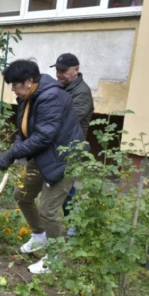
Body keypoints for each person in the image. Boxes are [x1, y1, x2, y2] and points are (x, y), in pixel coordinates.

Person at [0, 59, 84, 274]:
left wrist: (12, 153)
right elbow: (24, 132)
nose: (13, 89)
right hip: (42, 155)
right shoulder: (28, 96)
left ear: (29, 81)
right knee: (22, 195)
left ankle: (55, 258)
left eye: (15, 84)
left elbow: (44, 135)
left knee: (48, 210)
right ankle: (39, 236)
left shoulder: (50, 96)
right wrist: (14, 151)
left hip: (62, 158)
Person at [50, 53, 94, 222]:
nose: (59, 74)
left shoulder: (82, 92)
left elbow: (68, 118)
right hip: (58, 145)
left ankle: (75, 225)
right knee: (63, 188)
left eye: (63, 70)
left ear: (76, 69)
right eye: (57, 70)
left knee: (66, 188)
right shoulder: (62, 87)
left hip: (71, 148)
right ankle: (73, 223)